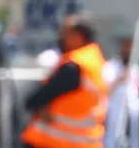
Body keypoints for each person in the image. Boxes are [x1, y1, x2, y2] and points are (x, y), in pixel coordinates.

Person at [21, 13, 109, 148]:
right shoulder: (95, 61)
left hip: (53, 141)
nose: (60, 38)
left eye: (64, 33)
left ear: (77, 37)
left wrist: (38, 106)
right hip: (83, 142)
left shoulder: (75, 66)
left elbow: (35, 99)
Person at [102, 35, 139, 148]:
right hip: (113, 113)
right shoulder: (110, 67)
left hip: (133, 114)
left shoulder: (136, 68)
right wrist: (119, 80)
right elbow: (104, 92)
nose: (129, 49)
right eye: (126, 46)